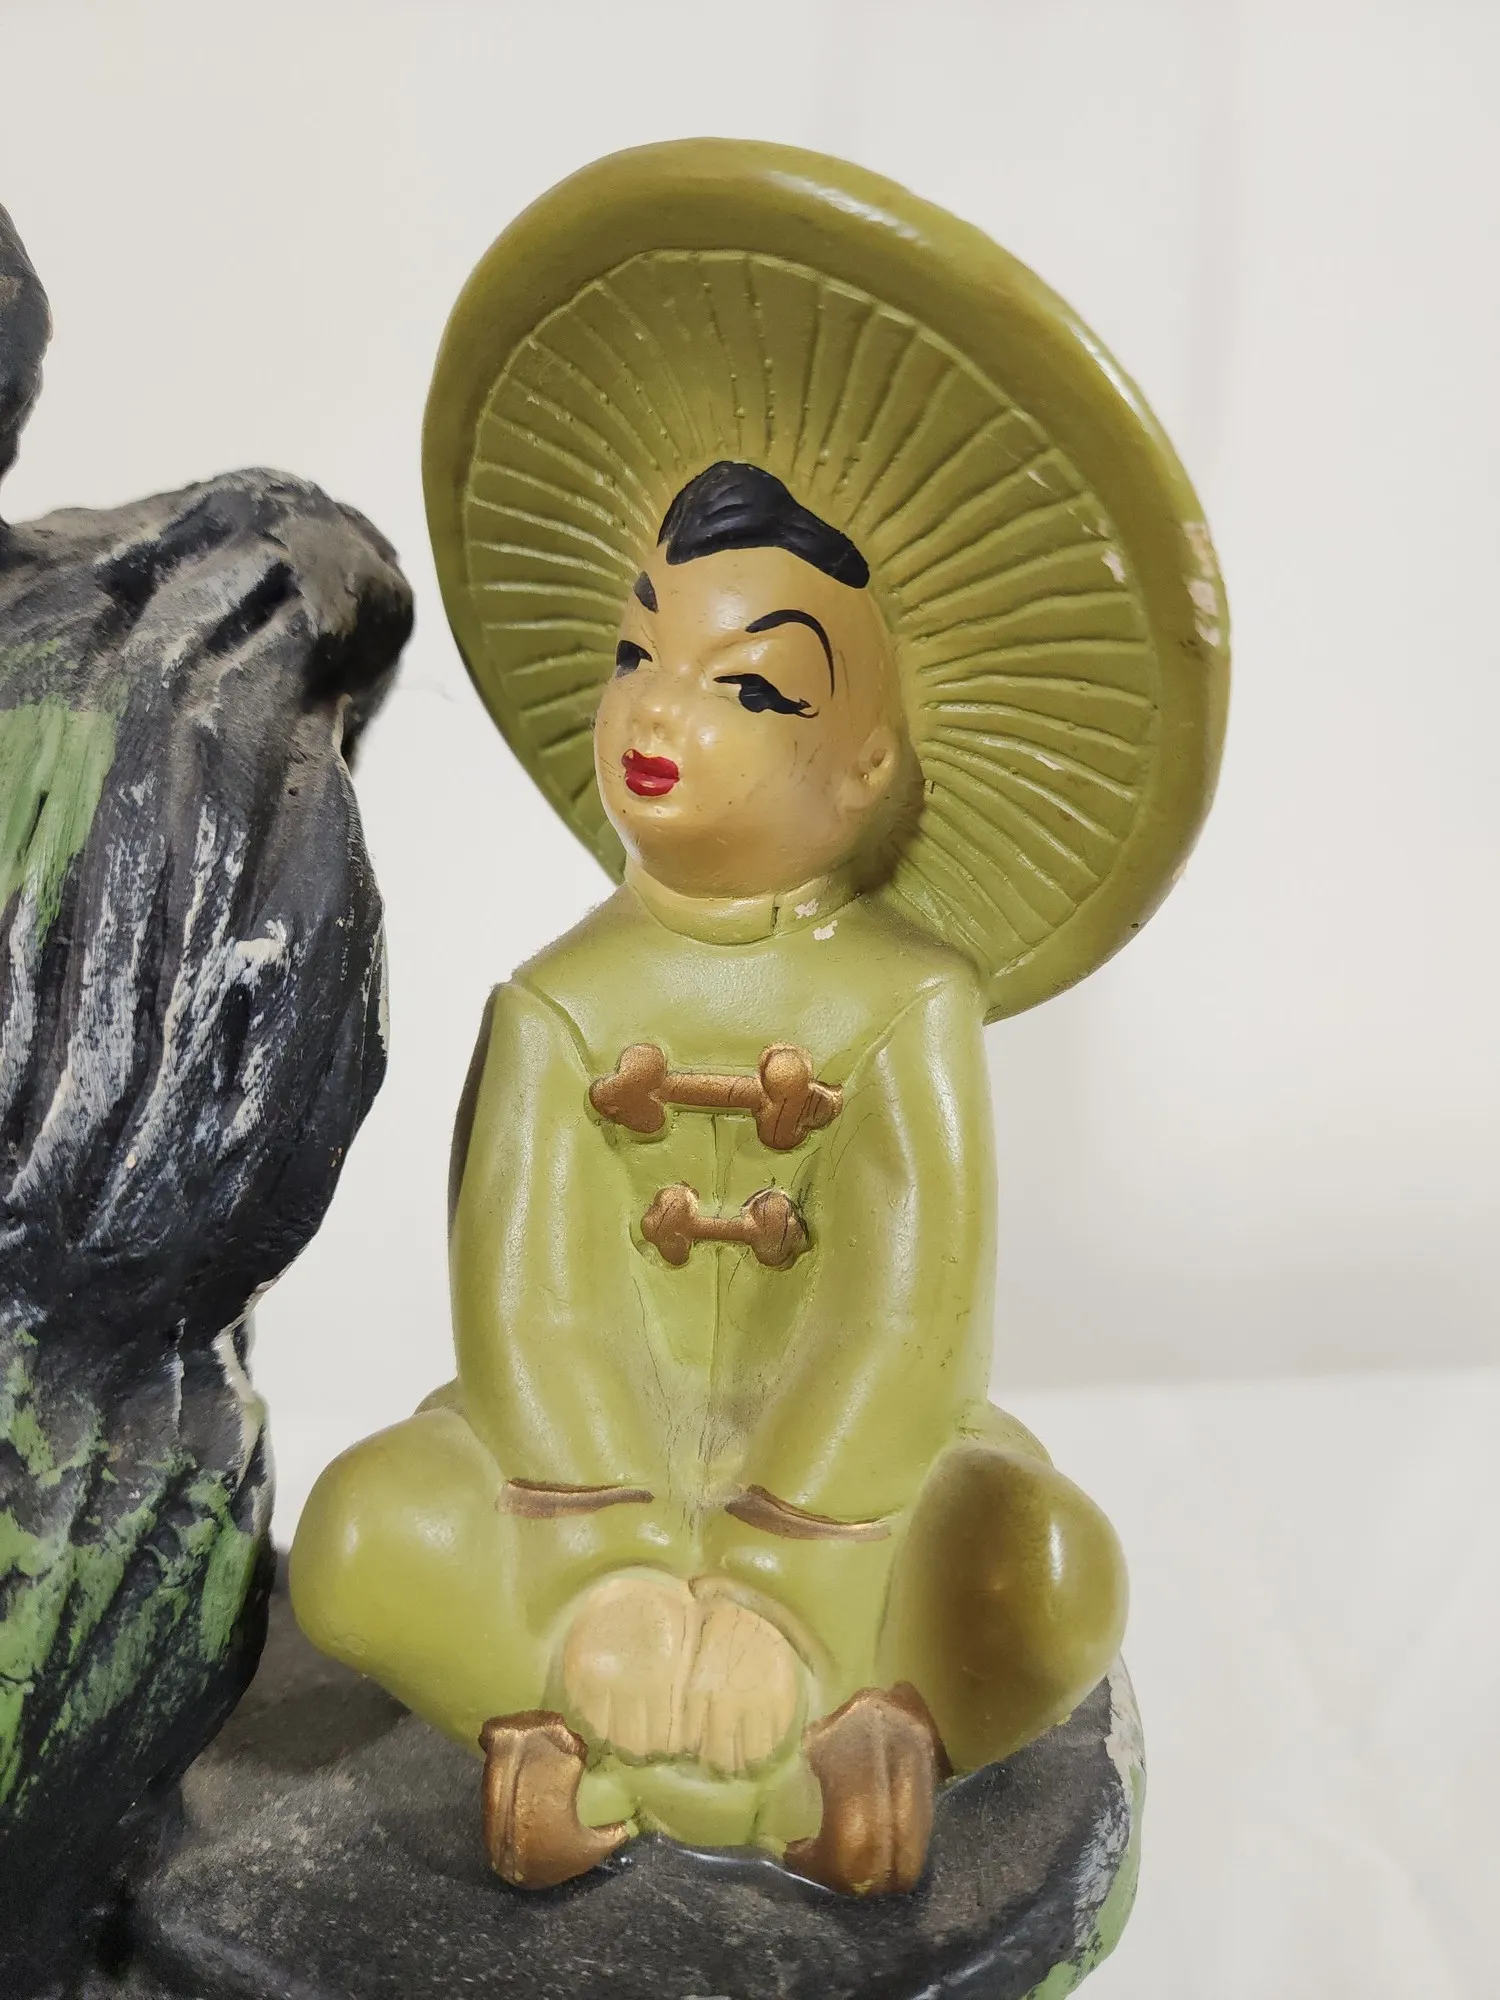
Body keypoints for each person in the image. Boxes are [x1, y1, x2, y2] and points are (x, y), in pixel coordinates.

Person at [292, 139, 1227, 1899]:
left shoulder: (911, 1007)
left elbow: (902, 1321)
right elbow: (528, 1319)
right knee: (354, 1539)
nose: (661, 713)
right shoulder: (555, 1004)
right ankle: (652, 1734)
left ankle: (810, 1727)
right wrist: (626, 1578)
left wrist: (778, 1588)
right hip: (583, 1522)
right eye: (638, 653)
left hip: (847, 1516)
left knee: (1047, 1573)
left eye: (748, 685)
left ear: (867, 759)